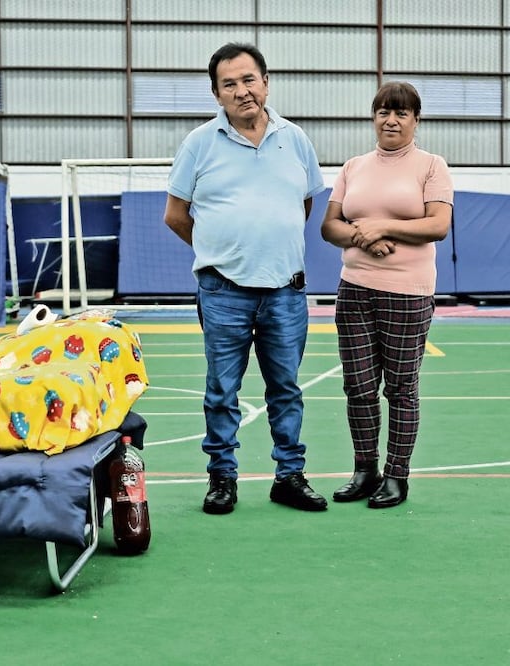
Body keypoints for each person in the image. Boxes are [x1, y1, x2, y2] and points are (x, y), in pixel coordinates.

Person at [164, 42, 327, 515]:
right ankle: (222, 479)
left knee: (286, 389)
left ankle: (289, 477)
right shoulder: (199, 143)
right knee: (221, 391)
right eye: (229, 84)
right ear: (216, 94)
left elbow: (303, 205)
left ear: (266, 82)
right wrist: (219, 250)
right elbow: (176, 216)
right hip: (223, 292)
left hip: (285, 291)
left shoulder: (294, 139)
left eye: (248, 79)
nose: (241, 91)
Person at [320, 81, 453, 509]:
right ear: (373, 116)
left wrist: (384, 228)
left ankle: (397, 475)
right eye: (383, 111)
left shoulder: (431, 166)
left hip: (407, 294)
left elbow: (437, 225)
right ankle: (365, 469)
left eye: (401, 113)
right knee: (358, 386)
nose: (390, 120)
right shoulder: (353, 166)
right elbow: (330, 226)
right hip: (355, 291)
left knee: (400, 389)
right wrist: (364, 239)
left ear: (415, 120)